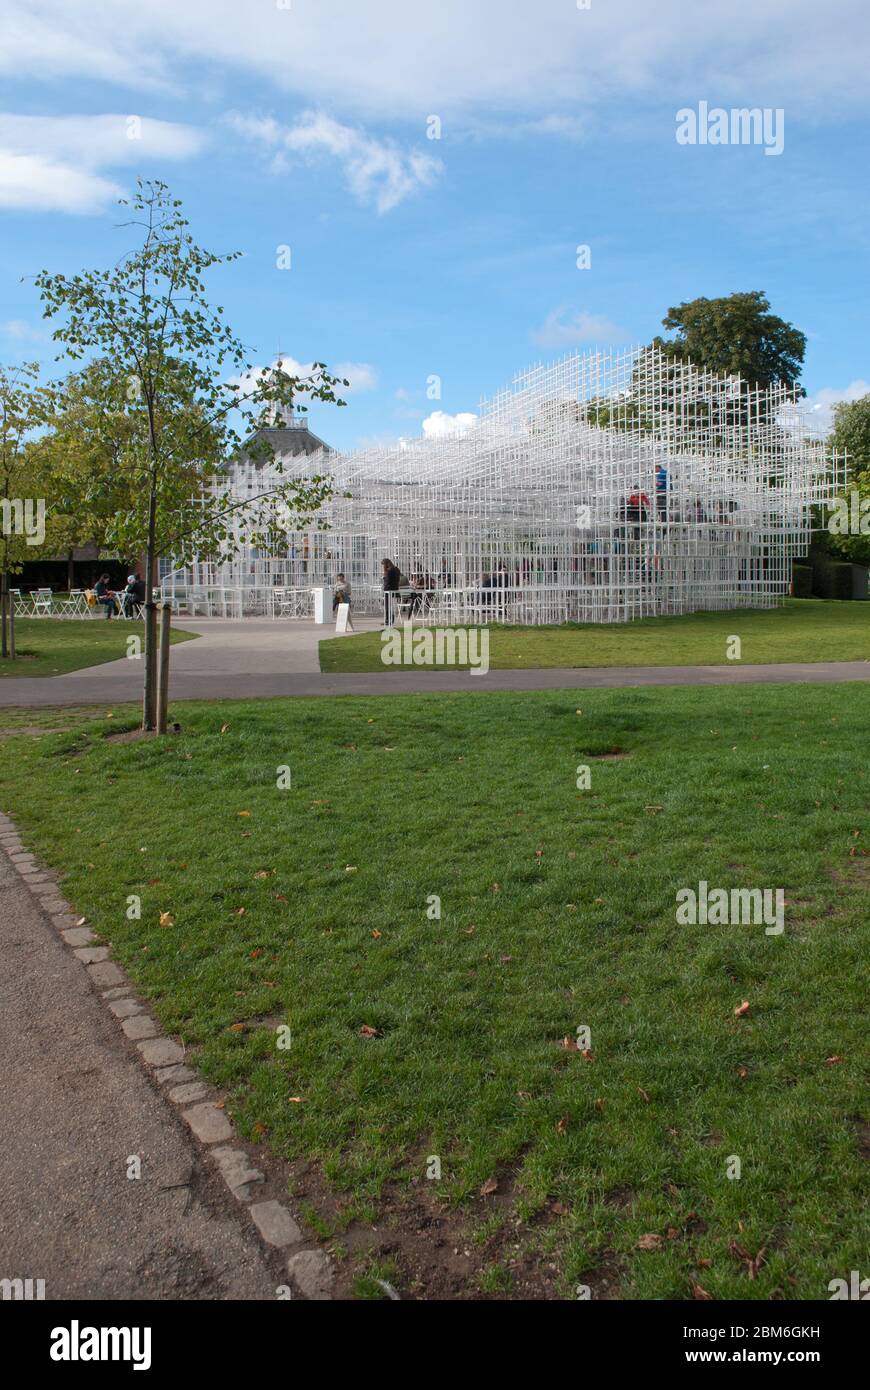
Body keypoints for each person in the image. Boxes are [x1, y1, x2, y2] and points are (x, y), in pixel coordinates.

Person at [381, 557, 400, 626]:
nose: (383, 567)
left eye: (384, 565)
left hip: (388, 590)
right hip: (395, 589)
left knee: (387, 606)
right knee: (391, 606)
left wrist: (384, 576)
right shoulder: (397, 569)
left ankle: (387, 620)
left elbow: (387, 581)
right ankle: (390, 620)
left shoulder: (388, 571)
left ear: (386, 564)